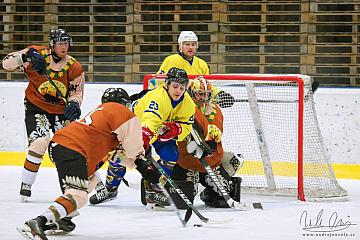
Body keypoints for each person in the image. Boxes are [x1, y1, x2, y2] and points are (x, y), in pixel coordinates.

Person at [16, 88, 161, 240]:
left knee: (87, 183)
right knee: (79, 195)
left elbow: (116, 156)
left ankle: (63, 218)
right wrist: (142, 160)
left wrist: (140, 166)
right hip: (73, 149)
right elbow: (133, 149)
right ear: (125, 104)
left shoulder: (103, 118)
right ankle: (37, 223)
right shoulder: (123, 113)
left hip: (61, 147)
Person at [89, 67, 196, 208]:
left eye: (182, 87)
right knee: (120, 156)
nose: (178, 91)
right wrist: (143, 140)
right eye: (175, 86)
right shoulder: (158, 98)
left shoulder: (187, 102)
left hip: (158, 130)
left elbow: (187, 125)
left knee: (171, 154)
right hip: (136, 127)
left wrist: (177, 129)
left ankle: (156, 188)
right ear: (167, 84)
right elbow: (149, 122)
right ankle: (111, 189)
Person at [2, 28, 85, 202]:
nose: (65, 47)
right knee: (39, 143)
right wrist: (25, 57)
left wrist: (74, 104)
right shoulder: (37, 54)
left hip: (60, 111)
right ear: (52, 44)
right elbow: (6, 64)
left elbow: (77, 92)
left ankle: (85, 183)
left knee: (72, 147)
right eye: (61, 43)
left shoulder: (74, 66)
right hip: (36, 107)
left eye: (66, 43)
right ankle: (26, 184)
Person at [170, 76, 243, 209]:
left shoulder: (214, 109)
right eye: (200, 94)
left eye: (207, 94)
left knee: (224, 195)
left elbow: (216, 134)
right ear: (192, 93)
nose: (204, 98)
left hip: (209, 161)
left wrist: (210, 141)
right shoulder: (182, 107)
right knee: (183, 202)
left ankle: (209, 192)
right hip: (186, 161)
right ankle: (156, 186)